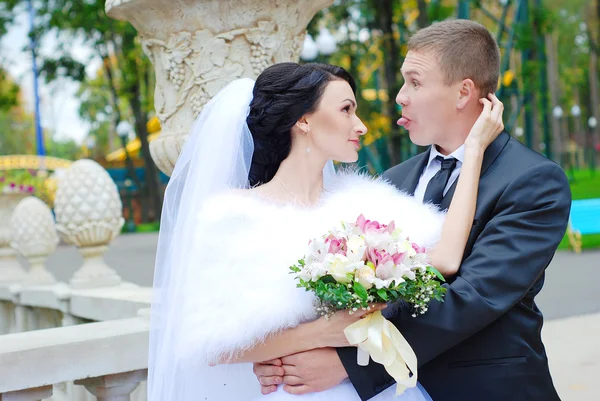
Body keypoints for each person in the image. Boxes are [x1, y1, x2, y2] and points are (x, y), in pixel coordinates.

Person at [147, 59, 503, 401]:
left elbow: (445, 259)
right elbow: (211, 345)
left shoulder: (369, 203)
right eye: (347, 110)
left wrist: (473, 150)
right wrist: (319, 333)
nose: (361, 126)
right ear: (303, 120)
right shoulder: (233, 216)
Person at [254, 19, 571, 401]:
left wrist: (348, 363)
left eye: (415, 83)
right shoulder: (391, 180)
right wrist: (287, 351)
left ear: (463, 92)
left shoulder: (533, 180)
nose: (400, 97)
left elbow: (473, 297)